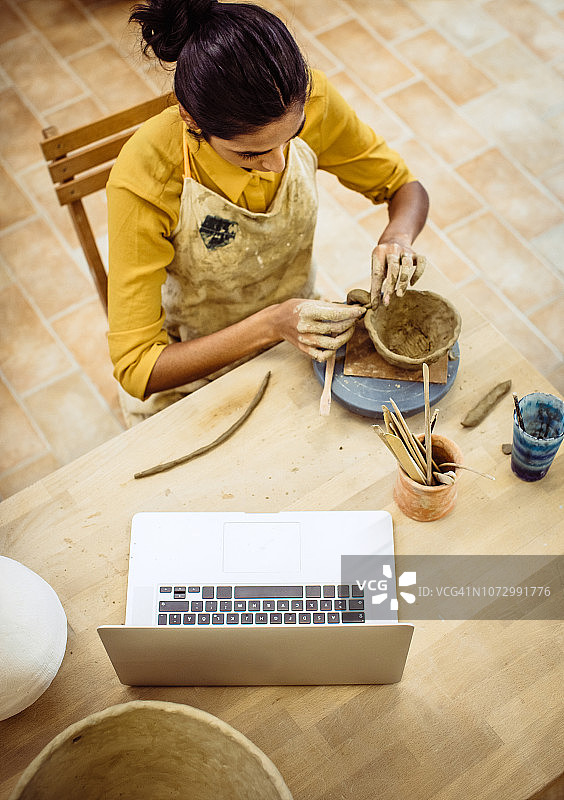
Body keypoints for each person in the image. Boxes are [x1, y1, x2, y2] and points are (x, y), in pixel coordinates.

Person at [107, 0, 429, 425]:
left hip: (300, 340)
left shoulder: (310, 98)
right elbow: (138, 367)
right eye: (251, 152)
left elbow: (406, 188)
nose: (278, 162)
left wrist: (396, 238)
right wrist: (274, 323)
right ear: (190, 118)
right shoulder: (146, 174)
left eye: (292, 136)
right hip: (193, 370)